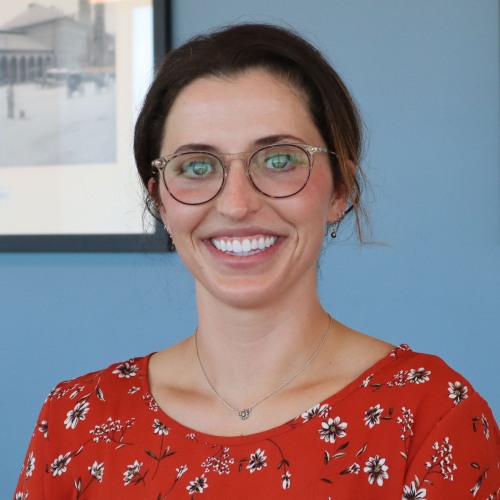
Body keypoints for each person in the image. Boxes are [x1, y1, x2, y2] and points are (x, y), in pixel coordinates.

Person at [15, 23, 499, 498]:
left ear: (340, 189)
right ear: (161, 201)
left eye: (280, 160)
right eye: (197, 167)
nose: (237, 204)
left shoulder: (431, 415)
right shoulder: (78, 420)